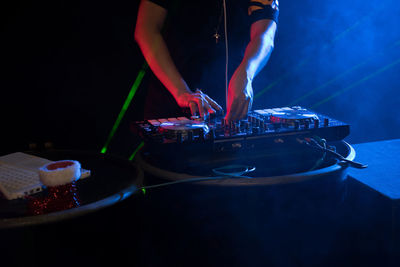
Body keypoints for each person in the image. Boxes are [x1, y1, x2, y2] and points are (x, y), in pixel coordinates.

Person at [134, 0, 279, 121]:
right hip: (171, 101)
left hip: (231, 106)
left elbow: (265, 36)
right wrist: (180, 91)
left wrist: (246, 74)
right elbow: (146, 28)